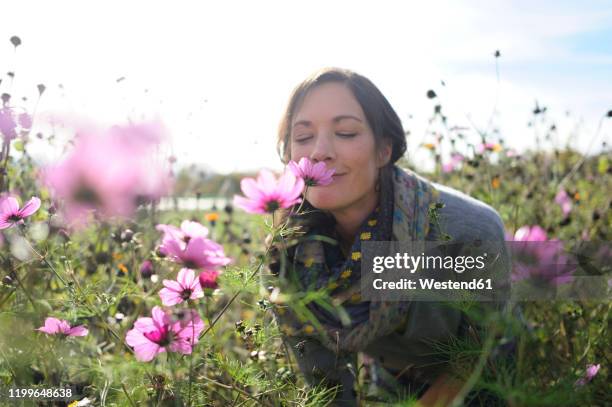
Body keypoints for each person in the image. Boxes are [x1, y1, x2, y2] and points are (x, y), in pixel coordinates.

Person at [264, 67, 513, 406]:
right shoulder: (288, 254)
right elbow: (327, 387)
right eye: (303, 137)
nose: (319, 151)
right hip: (391, 380)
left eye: (346, 132)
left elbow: (477, 347)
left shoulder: (468, 230)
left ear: (383, 150)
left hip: (496, 375)